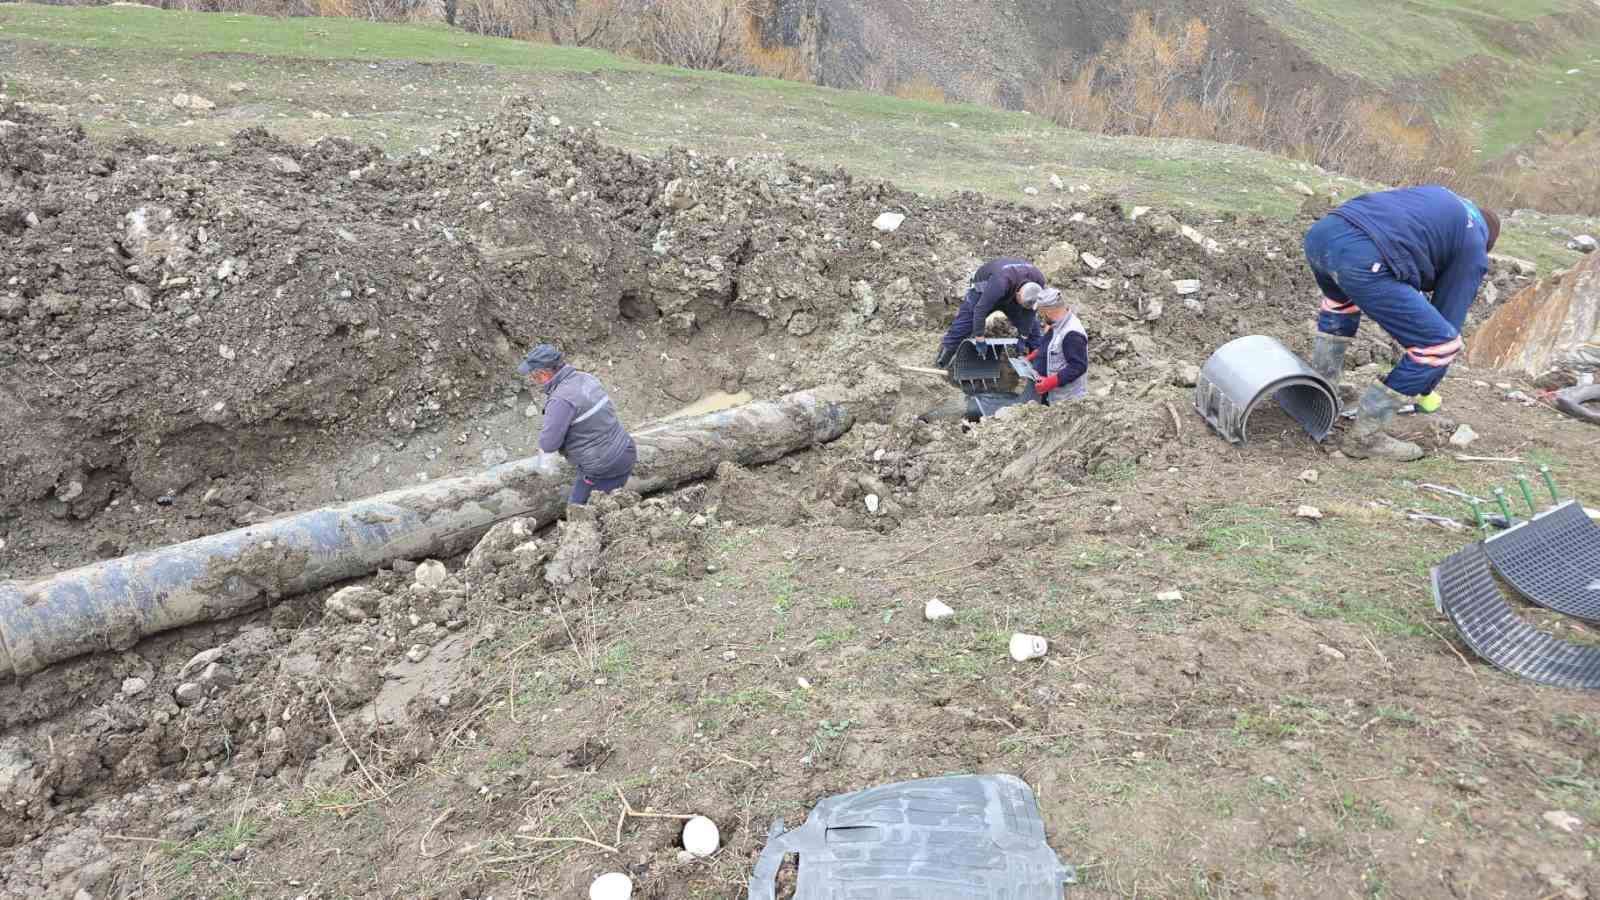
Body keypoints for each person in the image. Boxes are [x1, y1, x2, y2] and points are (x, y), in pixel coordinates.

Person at [1304, 185, 1498, 461]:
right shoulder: (1474, 244)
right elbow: (1446, 326)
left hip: (1323, 234)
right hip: (1364, 256)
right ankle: (1366, 438)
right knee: (1440, 346)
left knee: (1341, 304)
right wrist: (1425, 387)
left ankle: (1319, 393)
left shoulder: (1442, 201)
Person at [519, 344, 638, 505]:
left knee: (578, 513)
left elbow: (549, 443)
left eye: (534, 376)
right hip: (626, 448)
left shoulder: (561, 399)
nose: (535, 381)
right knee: (606, 505)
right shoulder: (585, 378)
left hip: (604, 467)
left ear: (544, 373)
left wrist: (544, 467)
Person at [935, 257, 1048, 368]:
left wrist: (1023, 336)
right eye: (1024, 304)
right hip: (983, 292)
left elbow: (1030, 312)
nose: (1025, 308)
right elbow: (980, 310)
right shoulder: (1000, 283)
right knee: (964, 325)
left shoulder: (1038, 282)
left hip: (1010, 295)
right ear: (1018, 294)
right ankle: (942, 362)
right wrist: (980, 338)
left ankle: (1037, 367)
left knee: (1034, 330)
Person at [1025, 287, 1088, 403]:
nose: (1040, 315)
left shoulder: (1072, 333)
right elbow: (1050, 344)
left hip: (1066, 400)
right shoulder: (1057, 324)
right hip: (1050, 394)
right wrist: (1035, 355)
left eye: (1040, 312)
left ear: (1047, 311)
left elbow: (1078, 366)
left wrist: (1051, 382)